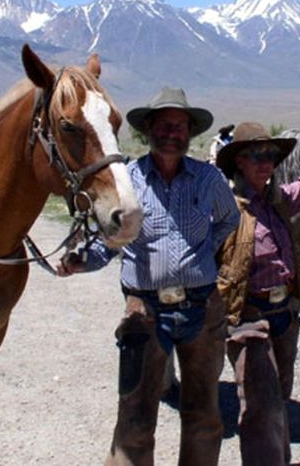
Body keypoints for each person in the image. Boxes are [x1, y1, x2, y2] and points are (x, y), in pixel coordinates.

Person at [57, 86, 239, 466]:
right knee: (135, 417)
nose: (172, 132)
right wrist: (81, 261)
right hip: (145, 310)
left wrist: (202, 252)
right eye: (164, 125)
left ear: (189, 133)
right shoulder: (129, 180)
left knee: (204, 415)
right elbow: (111, 240)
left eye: (179, 126)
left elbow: (228, 220)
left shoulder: (210, 179)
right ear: (148, 131)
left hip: (202, 308)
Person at [214, 122, 300, 465]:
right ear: (238, 163)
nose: (266, 163)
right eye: (256, 155)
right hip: (249, 320)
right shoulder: (227, 209)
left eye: (271, 155)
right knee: (260, 407)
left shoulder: (279, 200)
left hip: (284, 316)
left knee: (279, 398)